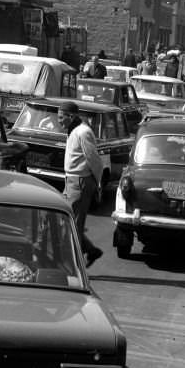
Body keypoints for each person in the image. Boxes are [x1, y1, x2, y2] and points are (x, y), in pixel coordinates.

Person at [58, 100, 104, 267]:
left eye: (62, 117)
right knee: (65, 221)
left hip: (80, 181)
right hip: (70, 180)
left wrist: (97, 183)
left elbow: (94, 159)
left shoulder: (83, 132)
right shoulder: (73, 130)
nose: (59, 121)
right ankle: (91, 251)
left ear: (71, 116)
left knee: (73, 225)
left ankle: (73, 266)